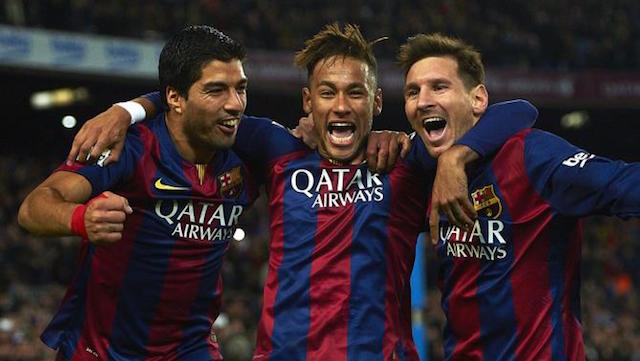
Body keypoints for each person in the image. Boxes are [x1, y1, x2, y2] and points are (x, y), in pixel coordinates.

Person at [65, 24, 537, 360]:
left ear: (376, 102)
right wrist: (128, 110)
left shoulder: (404, 161)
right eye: (327, 93)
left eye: (355, 93)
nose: (341, 106)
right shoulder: (275, 148)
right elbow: (194, 106)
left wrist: (456, 156)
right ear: (308, 102)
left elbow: (519, 110)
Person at [18, 25, 259, 360]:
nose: (235, 105)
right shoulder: (130, 147)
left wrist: (129, 106)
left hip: (191, 349)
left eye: (241, 89)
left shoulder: (251, 148)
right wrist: (81, 218)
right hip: (103, 349)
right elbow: (34, 207)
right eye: (216, 90)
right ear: (175, 98)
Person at [398, 33, 640, 360]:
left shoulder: (533, 156)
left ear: (478, 100)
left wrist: (456, 157)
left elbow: (622, 183)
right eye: (413, 91)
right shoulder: (422, 165)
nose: (423, 100)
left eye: (439, 87)